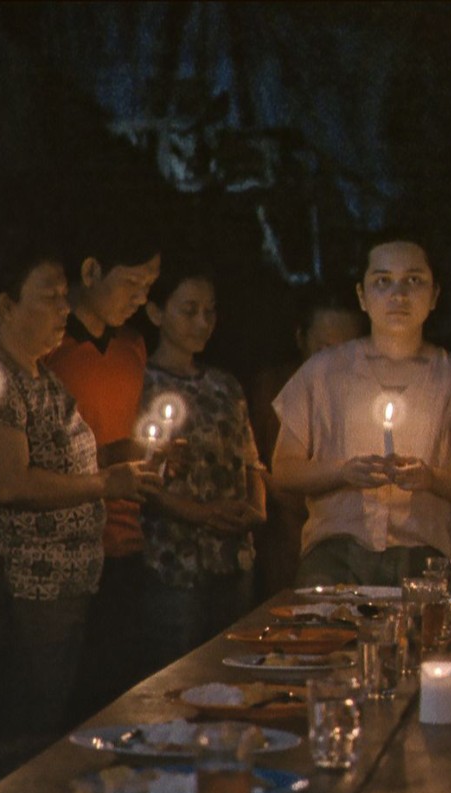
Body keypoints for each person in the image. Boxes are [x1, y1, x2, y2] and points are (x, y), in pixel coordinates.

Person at [0, 244, 157, 732]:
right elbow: (9, 483)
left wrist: (124, 456)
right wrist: (106, 483)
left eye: (66, 297)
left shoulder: (39, 375)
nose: (65, 309)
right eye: (50, 297)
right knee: (33, 729)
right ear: (6, 305)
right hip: (29, 586)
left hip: (67, 587)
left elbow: (64, 461)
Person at [272, 231, 451, 585]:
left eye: (414, 280)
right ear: (362, 296)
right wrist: (343, 471)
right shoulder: (323, 372)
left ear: (435, 294)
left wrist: (432, 479)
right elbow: (284, 469)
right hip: (336, 555)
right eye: (382, 281)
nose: (398, 294)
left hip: (427, 558)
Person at [43, 223, 160, 707]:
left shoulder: (133, 347)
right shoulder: (47, 349)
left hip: (129, 544)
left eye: (149, 288)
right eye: (132, 283)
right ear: (90, 271)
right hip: (64, 555)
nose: (140, 297)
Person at [136, 263, 265, 663]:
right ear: (156, 313)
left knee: (235, 666)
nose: (202, 322)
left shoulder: (224, 385)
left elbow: (250, 460)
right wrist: (200, 512)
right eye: (189, 310)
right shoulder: (142, 383)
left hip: (232, 553)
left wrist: (256, 509)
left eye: (209, 312)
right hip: (174, 559)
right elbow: (138, 474)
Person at [249, 286, 365, 595]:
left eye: (347, 348)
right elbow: (263, 466)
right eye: (325, 348)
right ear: (301, 338)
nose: (335, 360)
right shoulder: (275, 389)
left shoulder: (369, 396)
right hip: (286, 539)